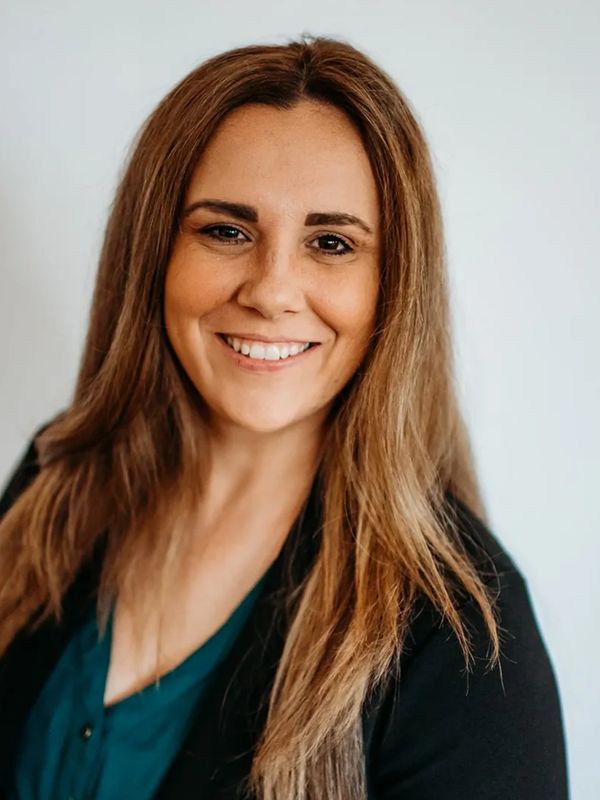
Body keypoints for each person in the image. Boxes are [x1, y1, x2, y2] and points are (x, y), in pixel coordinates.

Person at [0, 34, 569, 800]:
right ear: (154, 253)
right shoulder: (57, 476)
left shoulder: (462, 631)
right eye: (226, 231)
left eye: (331, 243)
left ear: (392, 288)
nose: (271, 291)